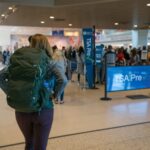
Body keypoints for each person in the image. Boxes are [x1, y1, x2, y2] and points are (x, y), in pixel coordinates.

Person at [4, 34, 67, 150]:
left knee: (29, 143)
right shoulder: (50, 61)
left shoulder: (21, 62)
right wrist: (54, 95)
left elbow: (1, 75)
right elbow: (63, 80)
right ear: (46, 45)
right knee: (40, 147)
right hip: (43, 108)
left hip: (22, 109)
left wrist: (11, 91)